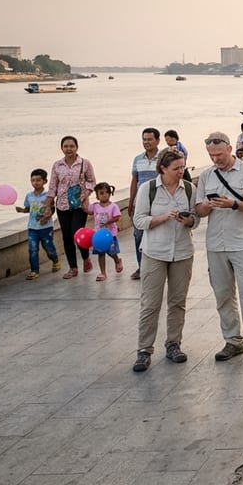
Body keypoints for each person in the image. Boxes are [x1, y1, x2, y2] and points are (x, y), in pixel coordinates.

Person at [195, 132, 243, 367]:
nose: (216, 159)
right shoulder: (206, 176)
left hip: (242, 242)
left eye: (219, 154)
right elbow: (198, 210)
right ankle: (232, 341)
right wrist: (206, 205)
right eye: (211, 155)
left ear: (229, 149)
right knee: (223, 296)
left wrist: (234, 204)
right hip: (216, 244)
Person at [131, 149, 198, 373]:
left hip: (182, 251)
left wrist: (188, 220)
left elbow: (196, 220)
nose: (181, 172)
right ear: (162, 169)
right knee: (150, 303)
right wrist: (162, 218)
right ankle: (144, 350)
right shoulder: (148, 189)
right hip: (154, 252)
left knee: (177, 301)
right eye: (176, 168)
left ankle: (173, 344)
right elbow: (139, 220)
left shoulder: (189, 189)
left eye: (183, 167)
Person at [47, 135, 97, 279]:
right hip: (62, 205)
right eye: (65, 146)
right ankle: (73, 268)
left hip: (79, 205)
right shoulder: (57, 165)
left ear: (77, 147)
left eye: (71, 146)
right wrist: (48, 204)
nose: (68, 149)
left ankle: (85, 257)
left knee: (77, 234)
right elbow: (52, 186)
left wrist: (82, 195)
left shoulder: (84, 163)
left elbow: (92, 182)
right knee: (67, 237)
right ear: (62, 148)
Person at [127, 127, 161, 281]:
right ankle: (142, 267)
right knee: (138, 235)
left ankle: (159, 267)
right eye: (144, 139)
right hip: (140, 203)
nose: (146, 142)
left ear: (157, 141)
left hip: (158, 203)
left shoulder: (164, 158)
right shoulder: (137, 159)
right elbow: (135, 180)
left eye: (149, 139)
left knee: (158, 235)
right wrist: (131, 201)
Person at [16, 168, 61, 280]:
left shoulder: (48, 195)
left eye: (38, 180)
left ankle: (55, 260)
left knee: (48, 247)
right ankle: (34, 270)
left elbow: (52, 209)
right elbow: (28, 208)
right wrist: (22, 210)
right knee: (32, 249)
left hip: (46, 227)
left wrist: (47, 217)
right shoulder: (29, 196)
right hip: (32, 227)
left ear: (44, 181)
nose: (35, 182)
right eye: (33, 180)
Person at [89, 182, 124, 281]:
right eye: (101, 193)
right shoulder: (95, 206)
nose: (104, 195)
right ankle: (103, 273)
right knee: (101, 254)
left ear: (109, 193)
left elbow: (117, 217)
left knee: (111, 252)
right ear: (97, 196)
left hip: (110, 234)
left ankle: (117, 260)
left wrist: (109, 221)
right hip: (99, 235)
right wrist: (84, 196)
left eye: (106, 192)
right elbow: (87, 209)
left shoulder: (113, 206)